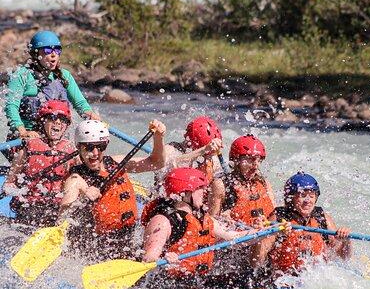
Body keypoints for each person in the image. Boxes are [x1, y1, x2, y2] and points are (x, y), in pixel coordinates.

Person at [141, 167, 280, 289]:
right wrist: (165, 259)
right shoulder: (162, 221)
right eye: (200, 188)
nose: (205, 191)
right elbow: (148, 259)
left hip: (198, 281)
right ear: (185, 193)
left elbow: (234, 238)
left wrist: (266, 232)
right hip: (171, 286)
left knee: (256, 278)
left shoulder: (202, 218)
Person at [59, 119, 166, 261]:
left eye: (101, 146)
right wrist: (84, 196)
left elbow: (156, 163)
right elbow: (63, 217)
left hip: (128, 238)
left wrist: (158, 137)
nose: (96, 153)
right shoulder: (75, 179)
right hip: (99, 248)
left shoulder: (116, 163)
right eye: (89, 147)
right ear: (79, 147)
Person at [4, 30, 99, 158]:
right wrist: (23, 131)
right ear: (36, 53)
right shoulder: (21, 76)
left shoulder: (64, 76)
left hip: (55, 138)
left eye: (57, 50)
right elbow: (11, 107)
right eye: (48, 51)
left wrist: (90, 114)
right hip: (26, 138)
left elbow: (81, 104)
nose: (54, 55)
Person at [253, 172, 352, 288]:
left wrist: (346, 241)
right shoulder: (278, 219)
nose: (307, 200)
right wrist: (260, 235)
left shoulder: (321, 218)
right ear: (291, 198)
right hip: (282, 283)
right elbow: (256, 262)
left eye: (311, 195)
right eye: (302, 195)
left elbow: (344, 257)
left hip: (315, 282)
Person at [2, 100, 76, 227]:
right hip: (31, 204)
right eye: (53, 118)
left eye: (63, 120)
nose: (58, 122)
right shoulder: (29, 145)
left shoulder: (72, 150)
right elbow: (10, 180)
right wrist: (10, 186)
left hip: (57, 206)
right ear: (43, 121)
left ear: (66, 126)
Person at [208, 134, 275, 227]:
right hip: (238, 236)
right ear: (236, 160)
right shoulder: (221, 185)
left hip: (263, 234)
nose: (256, 165)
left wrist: (269, 223)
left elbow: (274, 216)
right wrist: (223, 220)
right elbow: (211, 223)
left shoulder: (264, 184)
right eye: (250, 159)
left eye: (258, 160)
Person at [154, 116, 222, 190]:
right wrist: (203, 150)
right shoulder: (171, 149)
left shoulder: (211, 156)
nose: (206, 156)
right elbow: (170, 165)